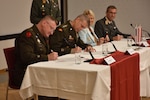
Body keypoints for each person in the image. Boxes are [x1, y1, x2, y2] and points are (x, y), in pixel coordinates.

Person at [14, 15, 58, 88]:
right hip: (26, 73)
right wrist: (47, 57)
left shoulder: (42, 36)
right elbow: (27, 57)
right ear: (44, 23)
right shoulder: (28, 35)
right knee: (55, 80)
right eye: (51, 28)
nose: (52, 33)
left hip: (39, 70)